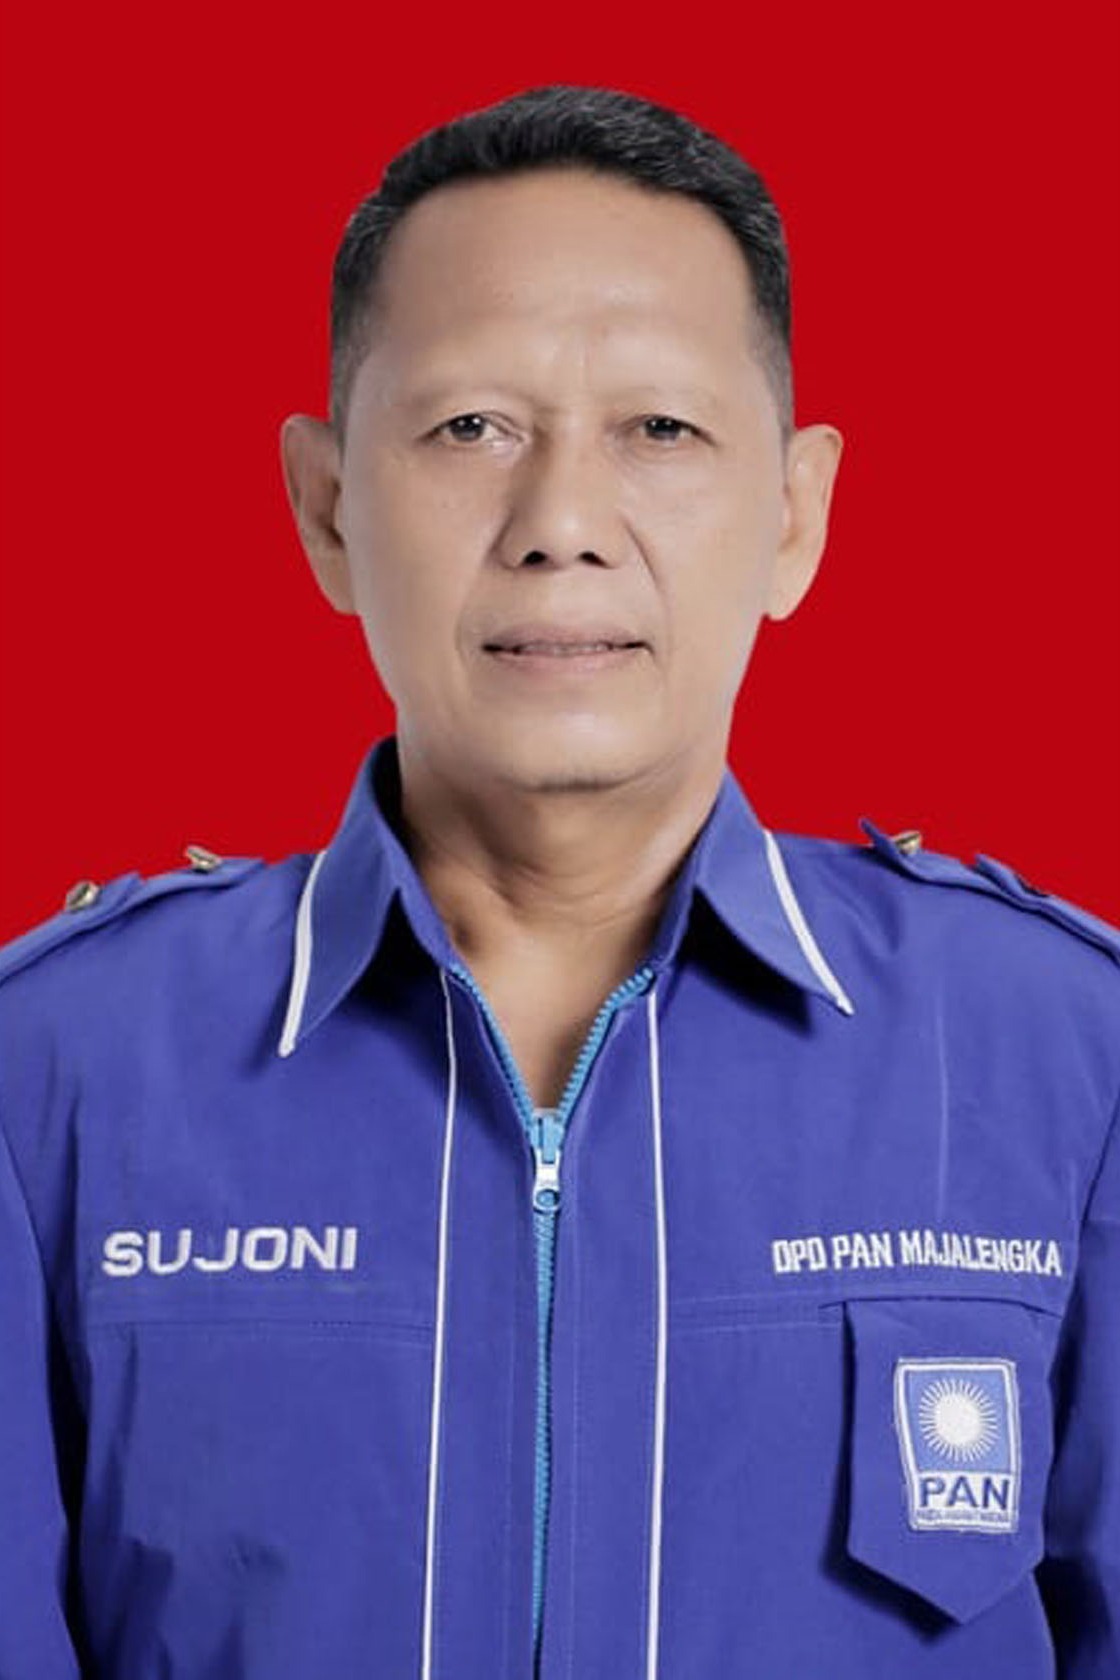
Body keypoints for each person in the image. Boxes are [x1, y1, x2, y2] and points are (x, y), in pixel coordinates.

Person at [0, 82, 1116, 1680]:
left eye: (661, 430)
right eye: (471, 429)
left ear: (795, 514)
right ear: (327, 507)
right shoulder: (54, 1073)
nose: (562, 524)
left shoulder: (1065, 1059)